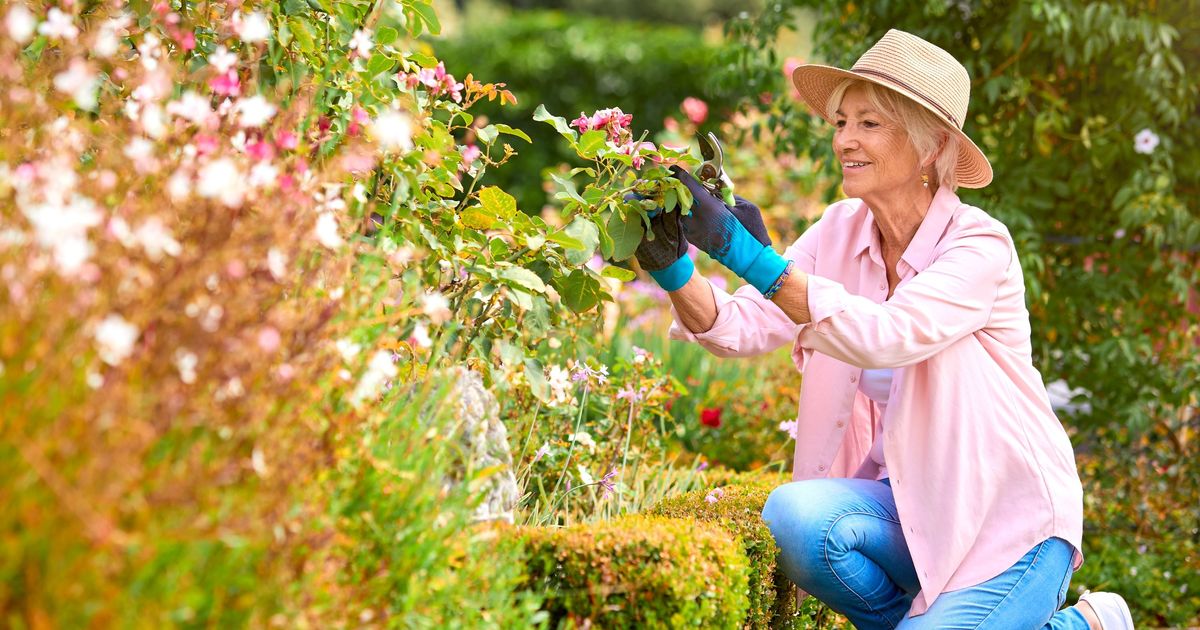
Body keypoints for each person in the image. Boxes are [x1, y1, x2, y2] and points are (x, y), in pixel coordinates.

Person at [634, 29, 1134, 629]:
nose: (844, 139)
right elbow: (741, 326)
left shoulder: (979, 245)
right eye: (841, 122)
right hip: (912, 506)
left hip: (1009, 524)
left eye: (868, 124)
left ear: (931, 146)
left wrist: (751, 256)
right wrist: (673, 267)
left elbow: (888, 335)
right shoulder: (838, 229)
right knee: (794, 519)